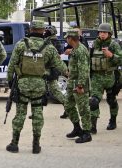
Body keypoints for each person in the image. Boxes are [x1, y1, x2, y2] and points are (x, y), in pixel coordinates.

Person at [6, 20, 66, 154]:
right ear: (43, 31)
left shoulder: (21, 45)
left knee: (20, 115)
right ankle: (36, 145)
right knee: (38, 115)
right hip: (39, 86)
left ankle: (14, 144)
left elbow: (11, 66)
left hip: (22, 85)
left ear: (31, 29)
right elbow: (61, 67)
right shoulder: (49, 47)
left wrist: (10, 81)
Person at [89, 23, 121, 133]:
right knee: (93, 101)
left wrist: (111, 55)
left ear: (109, 34)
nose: (102, 34)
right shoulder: (94, 44)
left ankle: (113, 120)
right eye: (101, 32)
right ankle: (93, 125)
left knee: (111, 100)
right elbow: (89, 59)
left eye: (105, 32)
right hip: (97, 78)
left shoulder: (114, 45)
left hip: (110, 77)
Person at [63, 29, 92, 143]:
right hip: (72, 82)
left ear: (71, 38)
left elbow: (84, 70)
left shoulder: (81, 50)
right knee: (68, 105)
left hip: (79, 84)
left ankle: (87, 133)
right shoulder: (75, 49)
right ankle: (77, 128)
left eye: (67, 37)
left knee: (83, 108)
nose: (66, 39)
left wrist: (80, 85)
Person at [44, 25, 67, 119]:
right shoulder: (56, 41)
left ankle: (69, 108)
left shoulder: (48, 42)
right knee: (54, 91)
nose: (45, 32)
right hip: (53, 69)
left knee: (52, 91)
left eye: (47, 31)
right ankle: (68, 109)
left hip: (48, 69)